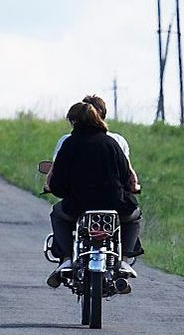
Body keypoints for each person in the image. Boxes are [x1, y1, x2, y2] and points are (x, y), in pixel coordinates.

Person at [45, 97, 142, 288]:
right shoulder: (112, 143)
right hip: (114, 204)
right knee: (134, 216)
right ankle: (123, 259)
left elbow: (57, 181)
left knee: (58, 213)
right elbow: (126, 175)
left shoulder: (69, 144)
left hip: (78, 206)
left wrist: (62, 191)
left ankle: (66, 258)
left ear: (75, 122)